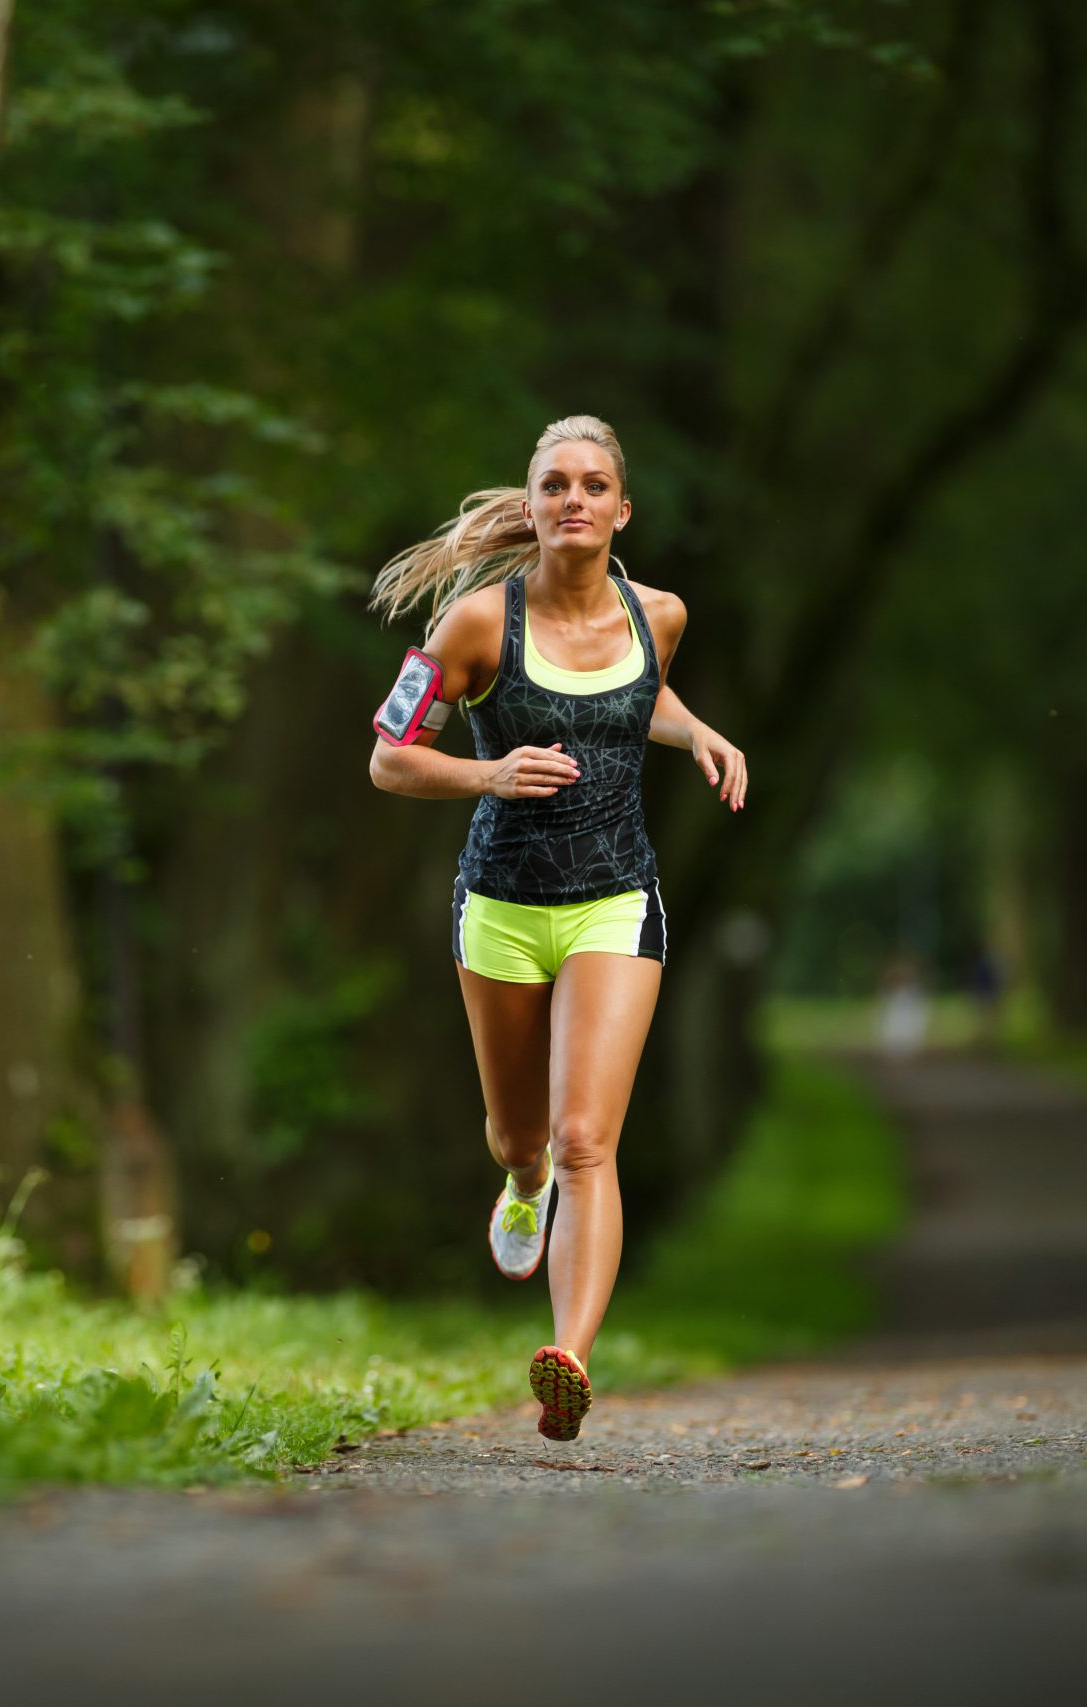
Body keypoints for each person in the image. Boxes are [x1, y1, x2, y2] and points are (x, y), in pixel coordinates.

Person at [366, 415, 747, 1441]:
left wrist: (697, 729)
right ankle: (519, 1182)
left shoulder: (658, 614)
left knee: (588, 1138)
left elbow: (637, 695)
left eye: (592, 486)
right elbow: (389, 759)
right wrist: (488, 773)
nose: (572, 500)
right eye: (553, 485)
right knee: (523, 1135)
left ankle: (567, 1357)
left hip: (615, 898)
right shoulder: (475, 626)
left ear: (621, 510)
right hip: (498, 902)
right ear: (531, 506)